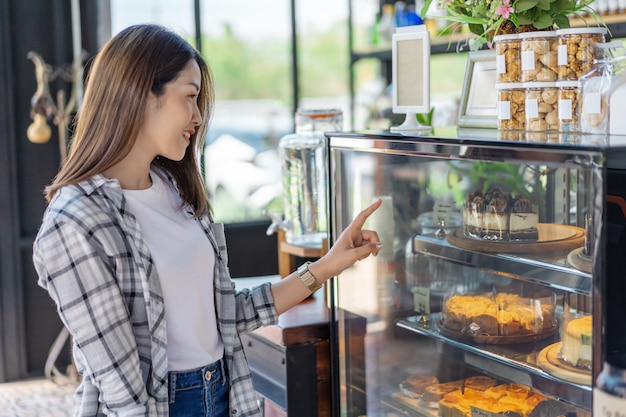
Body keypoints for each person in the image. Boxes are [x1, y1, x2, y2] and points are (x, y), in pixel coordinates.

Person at [32, 23, 382, 417]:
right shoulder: (75, 221)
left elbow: (227, 314)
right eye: (190, 97)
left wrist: (328, 265)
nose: (198, 116)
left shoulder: (174, 190)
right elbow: (123, 391)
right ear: (142, 93)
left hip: (223, 391)